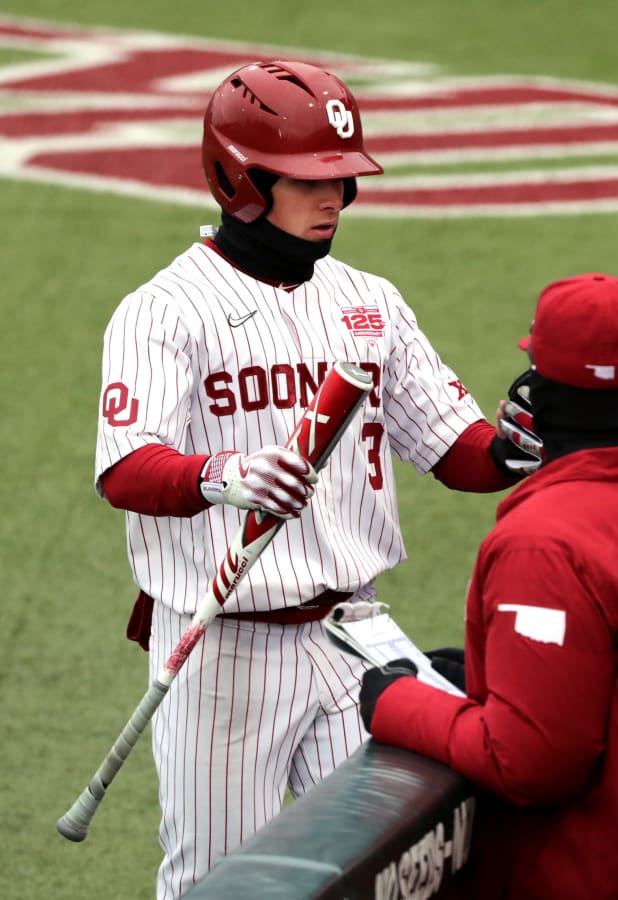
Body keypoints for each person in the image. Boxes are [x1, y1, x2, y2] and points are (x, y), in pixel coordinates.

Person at [93, 60, 529, 899]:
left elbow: (456, 451)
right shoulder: (166, 310)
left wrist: (516, 447)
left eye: (344, 180)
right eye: (310, 181)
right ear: (242, 178)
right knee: (218, 885)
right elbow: (125, 466)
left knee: (414, 857)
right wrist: (225, 474)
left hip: (352, 636)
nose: (336, 200)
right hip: (222, 649)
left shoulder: (368, 300)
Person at [358, 273, 618, 899]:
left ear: (537, 395)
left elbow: (530, 763)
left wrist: (400, 703)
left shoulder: (546, 541)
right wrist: (488, 677)